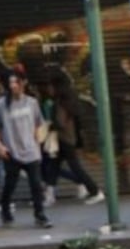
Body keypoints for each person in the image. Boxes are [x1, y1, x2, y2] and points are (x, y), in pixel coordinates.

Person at [0, 68, 53, 229]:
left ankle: (40, 215)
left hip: (31, 151)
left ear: (23, 83)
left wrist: (38, 140)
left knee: (36, 185)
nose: (13, 85)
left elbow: (39, 122)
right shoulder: (1, 105)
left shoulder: (32, 102)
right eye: (10, 83)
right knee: (10, 184)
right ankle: (6, 211)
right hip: (11, 152)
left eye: (16, 82)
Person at [39, 72, 104, 206]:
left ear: (57, 87)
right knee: (53, 167)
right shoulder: (69, 101)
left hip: (64, 140)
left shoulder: (60, 103)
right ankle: (50, 195)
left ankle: (96, 191)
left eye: (50, 86)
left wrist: (51, 125)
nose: (48, 89)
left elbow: (60, 122)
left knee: (75, 168)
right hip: (67, 140)